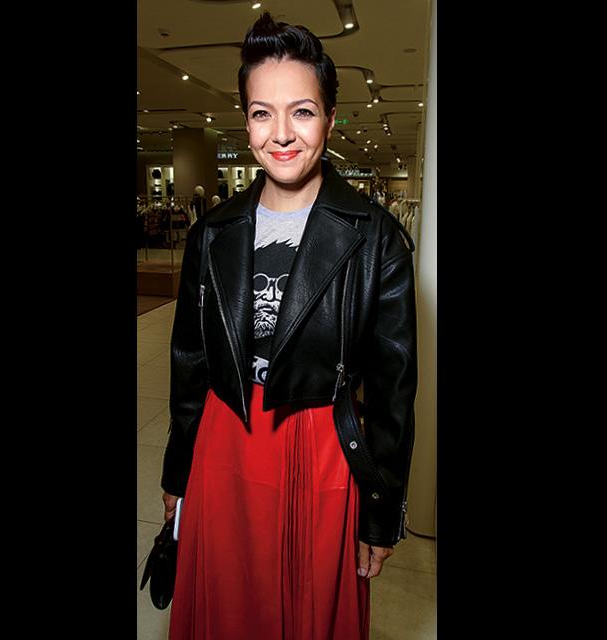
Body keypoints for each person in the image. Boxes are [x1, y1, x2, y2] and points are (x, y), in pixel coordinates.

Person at [161, 11, 417, 640]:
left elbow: (393, 391)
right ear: (245, 120)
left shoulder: (376, 239)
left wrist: (380, 512)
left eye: (301, 111)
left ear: (329, 118)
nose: (281, 134)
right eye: (261, 113)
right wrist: (177, 473)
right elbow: (190, 364)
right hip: (225, 439)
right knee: (226, 605)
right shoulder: (212, 233)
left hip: (322, 451)